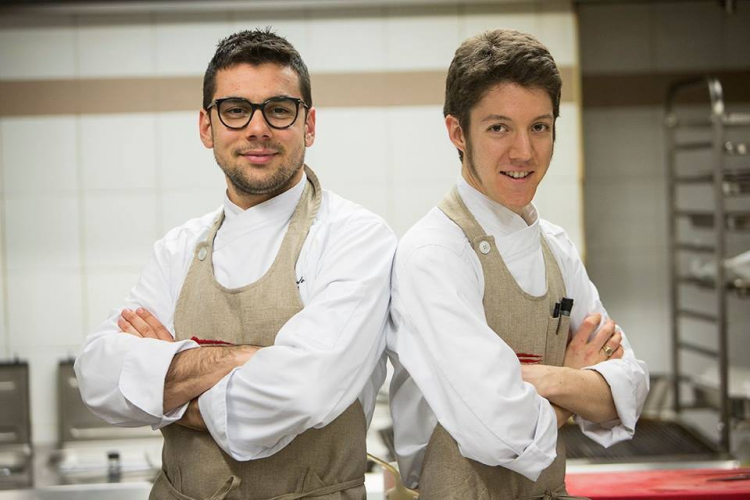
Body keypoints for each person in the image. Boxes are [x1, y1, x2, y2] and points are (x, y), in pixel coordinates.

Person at [75, 29, 396, 500]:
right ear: (208, 127)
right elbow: (98, 374)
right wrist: (243, 358)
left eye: (279, 109)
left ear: (308, 125)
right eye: (235, 110)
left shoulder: (356, 237)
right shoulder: (178, 249)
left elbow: (303, 389)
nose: (258, 128)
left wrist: (164, 395)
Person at [387, 29, 649, 499]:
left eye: (540, 127)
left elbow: (629, 387)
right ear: (456, 132)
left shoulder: (556, 247)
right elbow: (500, 434)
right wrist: (577, 382)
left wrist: (547, 378)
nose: (524, 152)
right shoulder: (434, 254)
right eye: (498, 128)